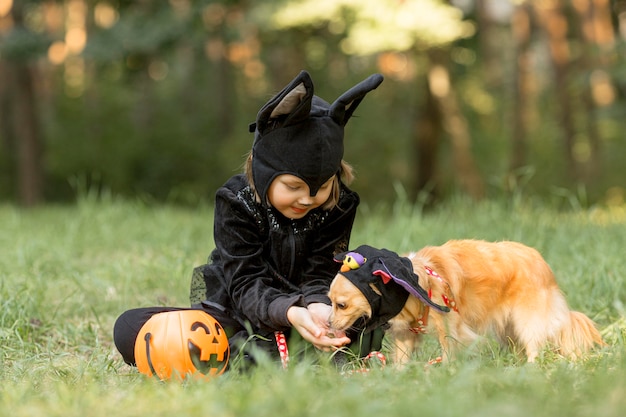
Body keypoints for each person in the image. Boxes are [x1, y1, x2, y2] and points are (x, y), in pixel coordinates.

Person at [113, 70, 384, 370]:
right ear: (265, 171)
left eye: (320, 188)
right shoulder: (236, 201)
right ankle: (275, 355)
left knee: (375, 317)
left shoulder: (339, 205)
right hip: (241, 309)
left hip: (308, 313)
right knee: (131, 328)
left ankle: (270, 357)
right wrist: (290, 312)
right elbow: (244, 282)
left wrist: (320, 308)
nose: (307, 199)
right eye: (293, 187)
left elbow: (321, 271)